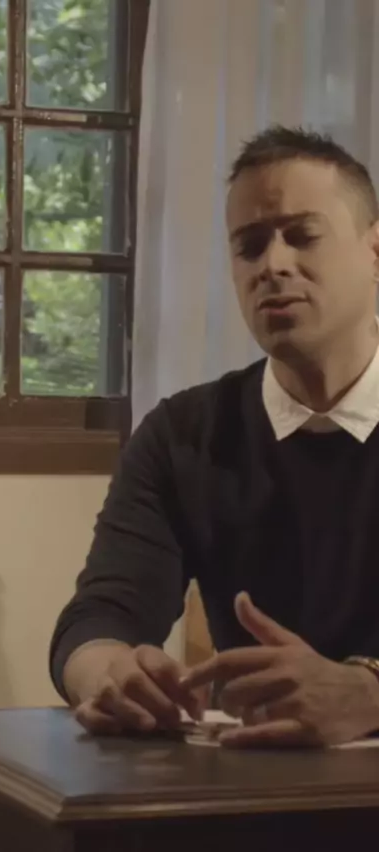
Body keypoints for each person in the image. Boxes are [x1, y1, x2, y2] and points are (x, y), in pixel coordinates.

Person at [50, 125, 379, 749]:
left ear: (374, 252)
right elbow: (102, 615)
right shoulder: (185, 435)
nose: (273, 265)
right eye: (250, 246)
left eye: (302, 236)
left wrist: (366, 691)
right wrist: (108, 674)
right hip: (247, 785)